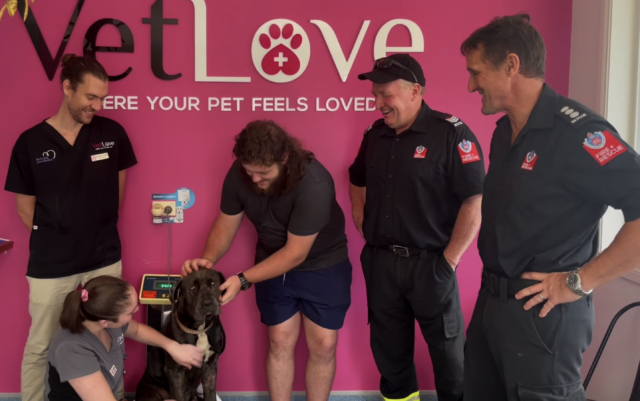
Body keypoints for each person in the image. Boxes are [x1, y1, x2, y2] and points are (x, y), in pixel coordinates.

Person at [459, 13, 640, 401]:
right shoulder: (504, 132)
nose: (470, 84)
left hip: (544, 314)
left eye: (476, 73)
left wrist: (581, 280)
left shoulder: (580, 134)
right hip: (492, 303)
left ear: (511, 65)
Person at [181, 120, 352, 401]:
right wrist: (207, 259)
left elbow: (295, 253)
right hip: (271, 263)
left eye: (263, 174)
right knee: (279, 340)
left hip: (323, 264)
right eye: (250, 173)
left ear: (284, 159)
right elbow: (226, 223)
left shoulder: (314, 183)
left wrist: (243, 279)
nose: (255, 180)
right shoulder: (240, 174)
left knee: (324, 345)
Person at [349, 53, 486, 401]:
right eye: (375, 94)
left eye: (386, 94)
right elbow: (356, 178)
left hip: (432, 265)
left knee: (451, 362)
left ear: (415, 91)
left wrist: (449, 261)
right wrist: (361, 219)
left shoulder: (451, 133)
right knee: (391, 362)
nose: (378, 103)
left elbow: (475, 200)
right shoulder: (375, 135)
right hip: (382, 264)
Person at [4, 54, 137, 401]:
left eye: (102, 98)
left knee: (115, 334)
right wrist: (63, 235)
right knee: (41, 344)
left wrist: (90, 230)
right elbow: (24, 210)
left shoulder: (112, 134)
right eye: (90, 97)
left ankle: (114, 396)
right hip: (53, 264)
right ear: (67, 88)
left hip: (104, 258)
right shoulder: (30, 143)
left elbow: (117, 195)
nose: (97, 105)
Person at [45, 275, 204, 401]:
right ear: (105, 322)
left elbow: (137, 330)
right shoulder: (73, 350)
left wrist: (172, 346)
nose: (137, 309)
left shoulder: (105, 321)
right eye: (130, 312)